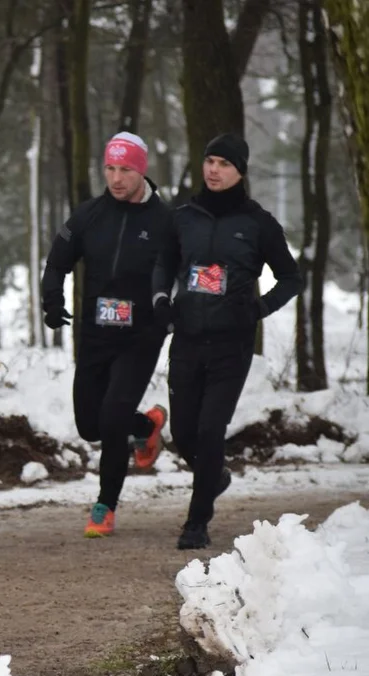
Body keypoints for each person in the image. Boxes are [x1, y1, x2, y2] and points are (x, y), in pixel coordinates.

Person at [152, 133, 301, 550]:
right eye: (209, 161)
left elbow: (291, 278)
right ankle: (213, 478)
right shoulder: (182, 217)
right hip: (186, 339)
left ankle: (196, 522)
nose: (214, 170)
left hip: (231, 345)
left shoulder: (258, 224)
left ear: (240, 172)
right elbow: (163, 263)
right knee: (183, 432)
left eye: (224, 164)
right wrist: (161, 298)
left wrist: (258, 309)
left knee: (211, 428)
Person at [40, 132, 173, 539]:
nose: (116, 178)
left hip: (141, 337)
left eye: (125, 170)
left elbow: (181, 271)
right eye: (110, 168)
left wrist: (172, 309)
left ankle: (105, 506)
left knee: (112, 418)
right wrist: (51, 299)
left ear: (141, 171)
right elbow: (58, 260)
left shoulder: (165, 220)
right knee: (89, 425)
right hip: (96, 334)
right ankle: (146, 426)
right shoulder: (89, 215)